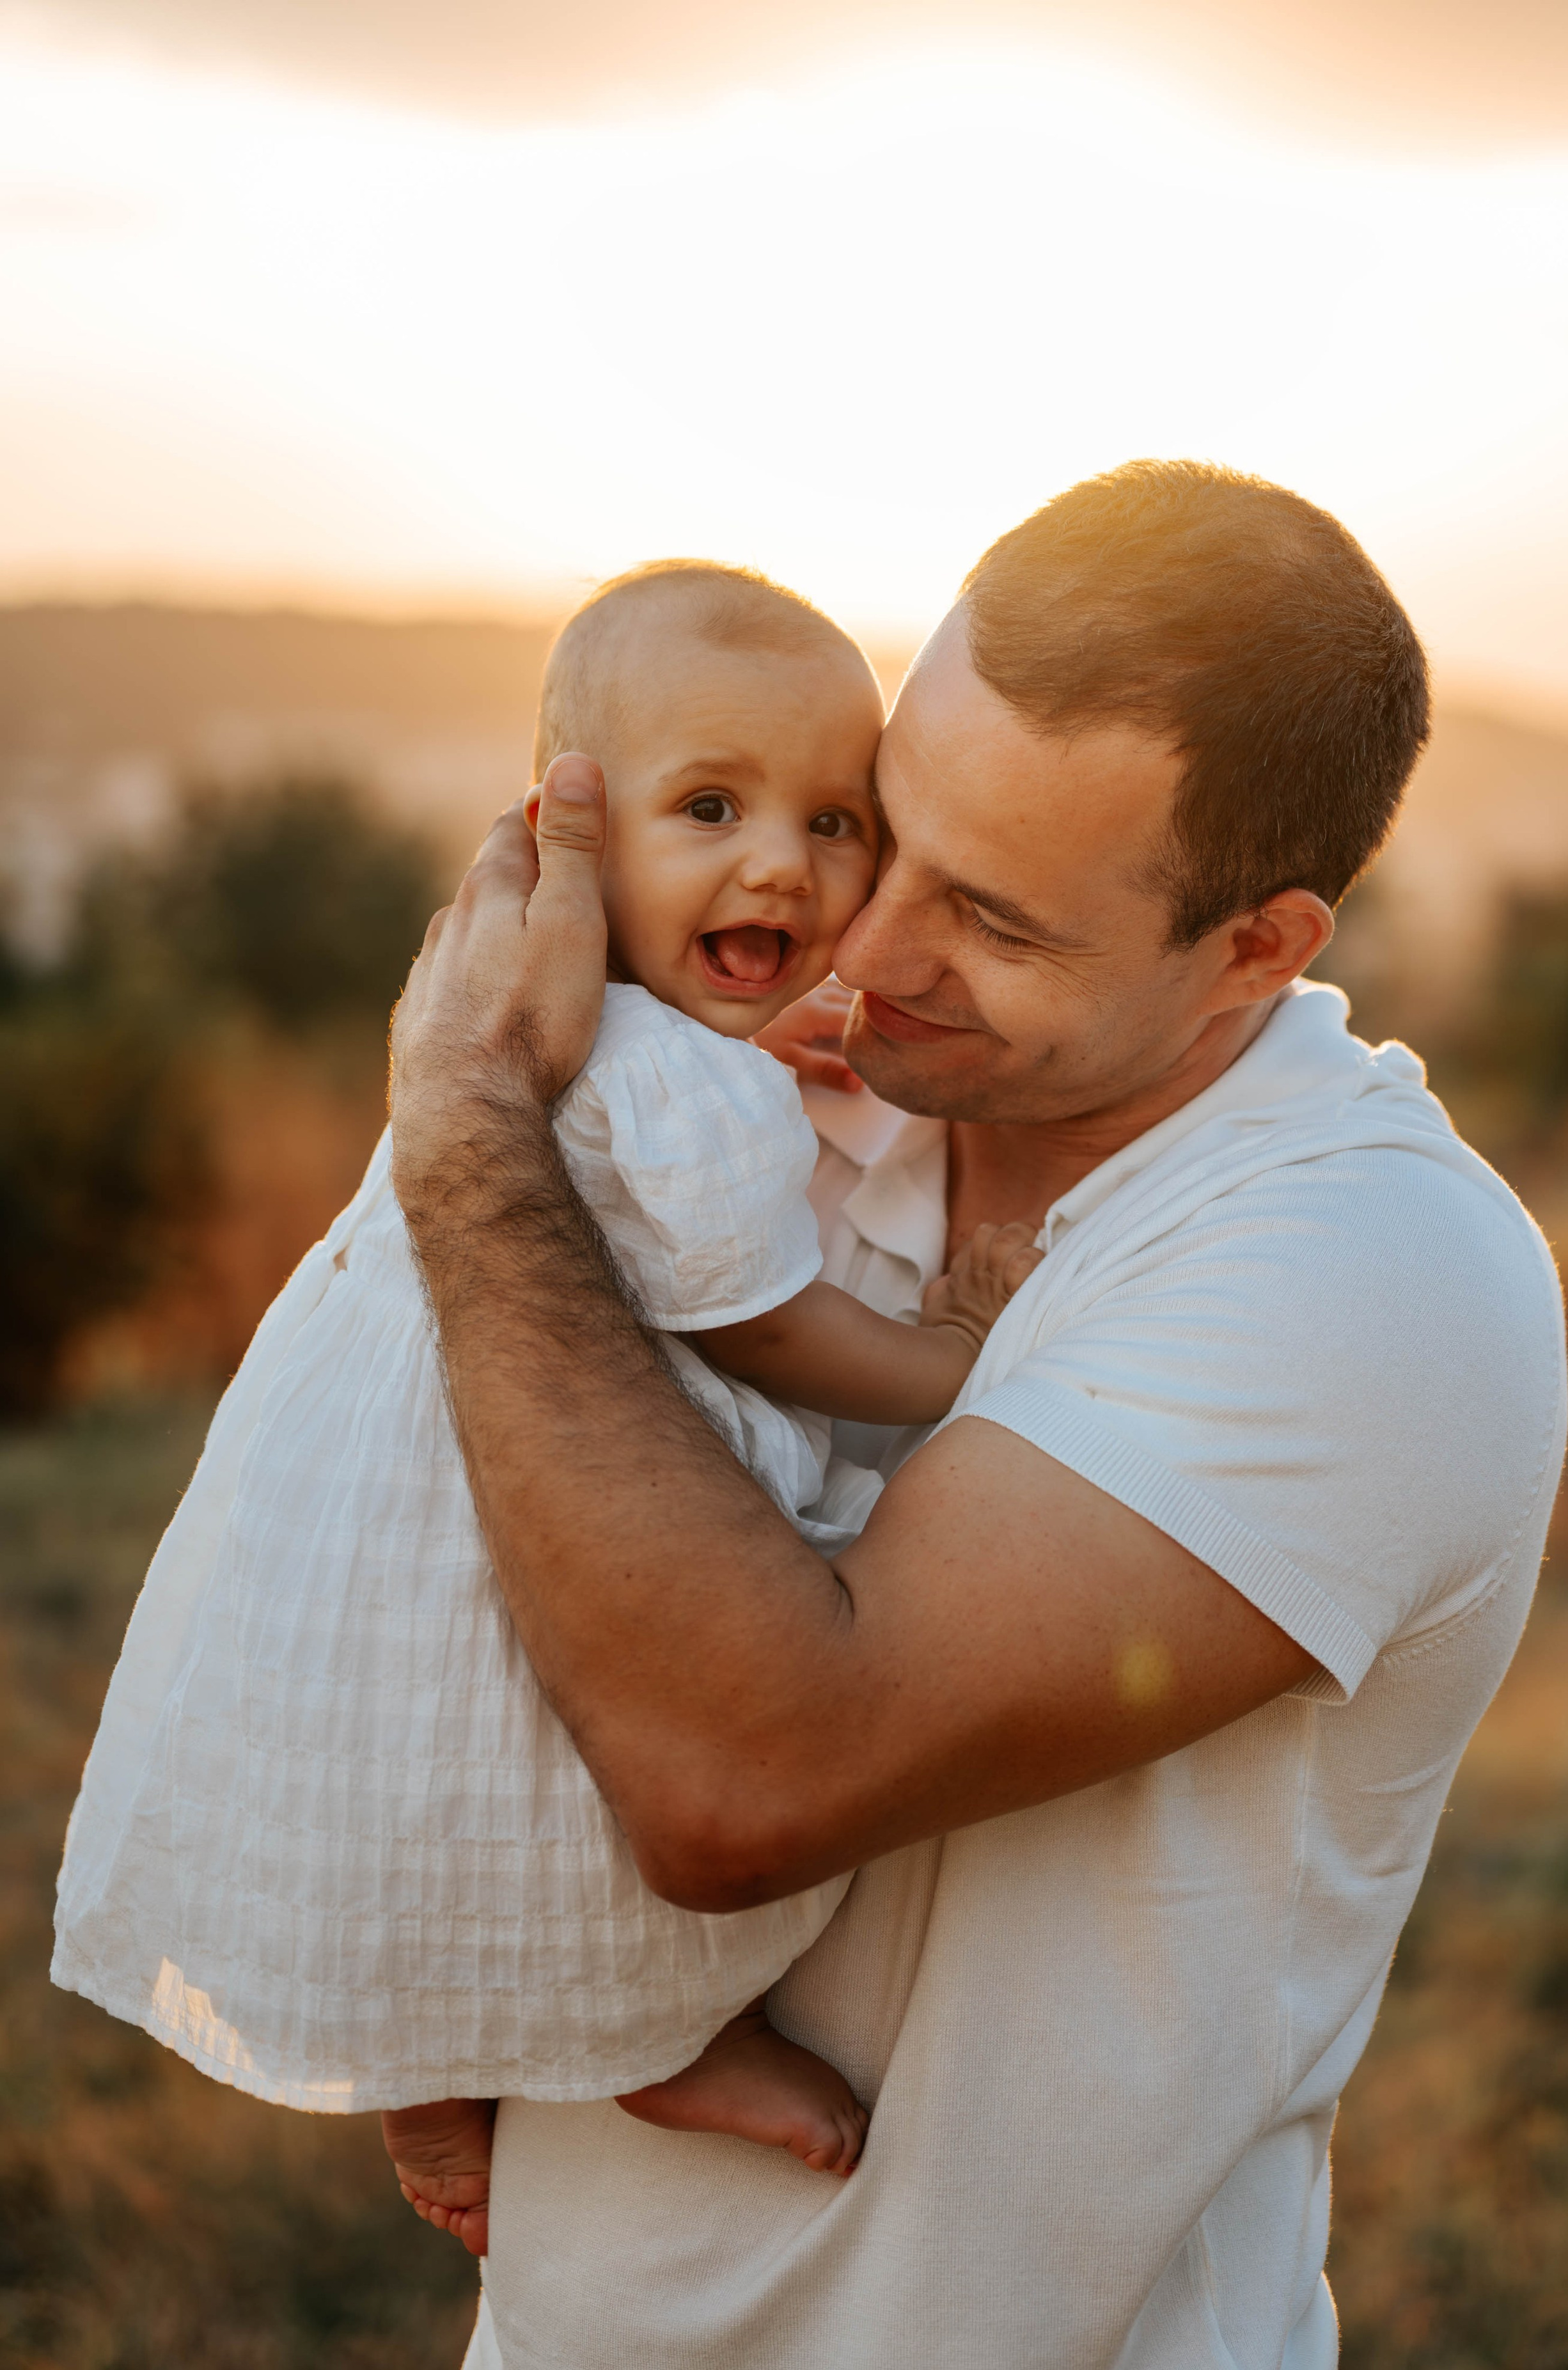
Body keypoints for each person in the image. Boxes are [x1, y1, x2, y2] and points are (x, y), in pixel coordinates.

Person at [390, 462, 1568, 2370]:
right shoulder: (751, 1093)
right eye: (887, 831)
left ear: (1255, 946)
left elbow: (741, 1773)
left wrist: (461, 1131)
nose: (872, 940)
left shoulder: (1369, 1263)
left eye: (994, 916)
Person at [52, 561, 1040, 2256]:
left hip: (388, 1514)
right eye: (710, 805)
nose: (779, 863)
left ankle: (430, 2083)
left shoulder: (566, 1037)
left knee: (427, 1784)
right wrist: (958, 1358)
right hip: (554, 1502)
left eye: (831, 819)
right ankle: (665, 2038)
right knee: (598, 1792)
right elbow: (775, 1334)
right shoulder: (670, 1078)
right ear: (570, 839)